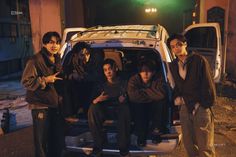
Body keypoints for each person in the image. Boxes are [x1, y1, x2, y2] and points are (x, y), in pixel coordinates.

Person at [167, 34, 216, 157]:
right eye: (173, 47)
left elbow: (208, 84)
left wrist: (204, 104)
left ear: (185, 44)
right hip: (185, 107)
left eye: (178, 44)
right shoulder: (173, 65)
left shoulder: (198, 60)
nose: (176, 48)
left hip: (201, 106)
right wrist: (177, 98)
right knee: (189, 144)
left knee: (205, 146)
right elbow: (176, 86)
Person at [21, 31, 65, 157]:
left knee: (54, 139)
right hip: (40, 105)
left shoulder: (57, 58)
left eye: (57, 43)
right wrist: (45, 80)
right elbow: (26, 81)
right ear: (45, 44)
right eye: (51, 42)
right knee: (41, 142)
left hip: (53, 104)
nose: (55, 45)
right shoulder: (35, 60)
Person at [88, 59, 130, 157]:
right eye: (105, 70)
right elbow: (91, 101)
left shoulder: (124, 83)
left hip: (119, 111)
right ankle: (98, 146)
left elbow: (130, 97)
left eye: (110, 69)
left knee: (124, 108)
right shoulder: (100, 85)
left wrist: (124, 99)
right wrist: (97, 99)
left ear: (115, 68)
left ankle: (123, 147)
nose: (108, 72)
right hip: (105, 111)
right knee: (93, 107)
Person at [127, 58, 167, 147]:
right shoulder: (134, 79)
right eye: (142, 71)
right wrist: (152, 95)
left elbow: (162, 94)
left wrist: (142, 92)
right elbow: (133, 96)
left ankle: (156, 132)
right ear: (139, 72)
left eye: (148, 71)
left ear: (153, 72)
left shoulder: (158, 79)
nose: (145, 73)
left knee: (160, 103)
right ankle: (141, 135)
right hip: (140, 106)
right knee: (139, 107)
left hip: (154, 106)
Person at [63, 42, 103, 122]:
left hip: (91, 92)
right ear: (76, 55)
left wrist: (82, 77)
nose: (86, 57)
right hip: (76, 93)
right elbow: (63, 74)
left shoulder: (94, 62)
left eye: (87, 54)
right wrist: (70, 76)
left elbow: (97, 76)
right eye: (82, 55)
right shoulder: (70, 61)